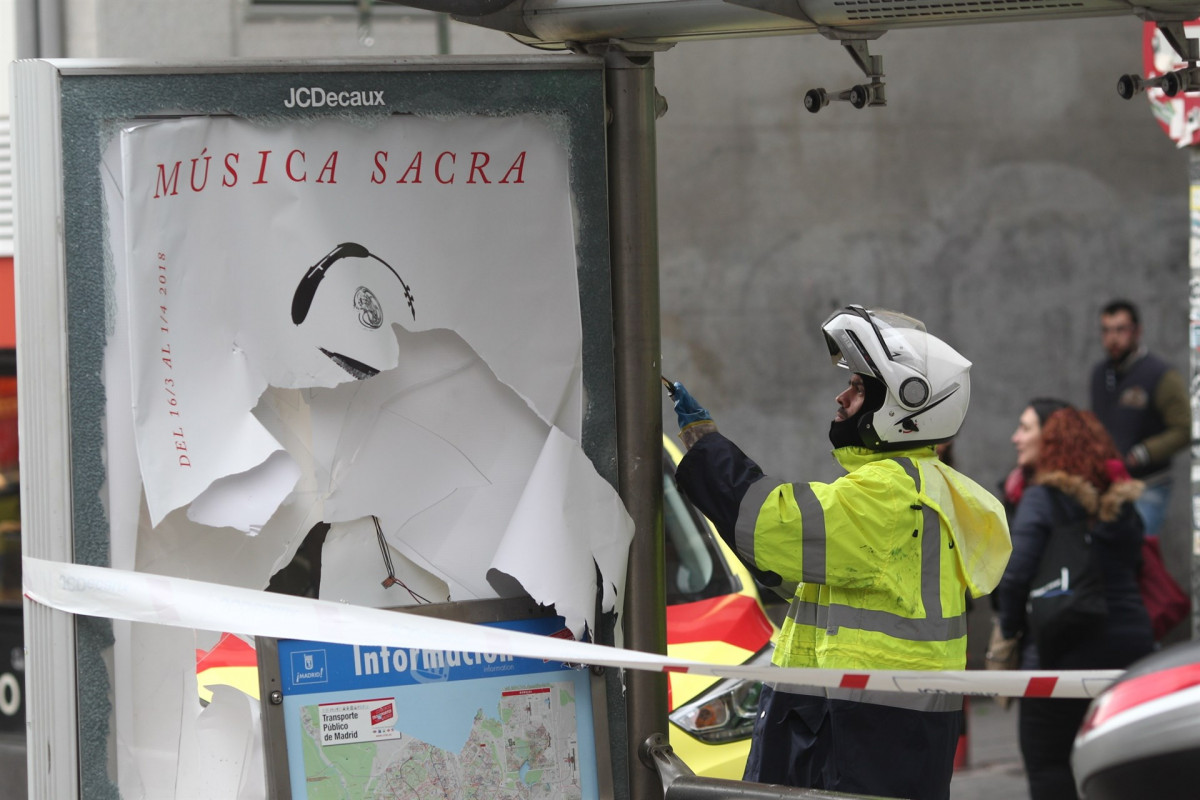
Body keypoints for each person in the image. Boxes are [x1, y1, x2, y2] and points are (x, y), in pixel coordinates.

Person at [667, 304, 1012, 800]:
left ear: (903, 405)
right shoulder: (920, 487)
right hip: (871, 732)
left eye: (858, 388)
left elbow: (769, 524)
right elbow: (788, 571)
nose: (842, 396)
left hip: (855, 734)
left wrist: (704, 441)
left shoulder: (888, 493)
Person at [993, 401, 1154, 800]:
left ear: (1051, 439)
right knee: (1121, 770)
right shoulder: (1121, 500)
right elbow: (1136, 564)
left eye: (1025, 427)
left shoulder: (1042, 497)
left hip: (1058, 650)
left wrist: (1011, 630)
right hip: (1130, 649)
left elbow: (1014, 577)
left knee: (1050, 766)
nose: (1016, 437)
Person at [1089, 299, 1190, 537]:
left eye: (1120, 329)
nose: (1113, 338)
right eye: (1106, 330)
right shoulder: (1100, 374)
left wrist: (1143, 453)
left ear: (1137, 331)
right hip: (1110, 486)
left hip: (1148, 485)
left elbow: (1185, 428)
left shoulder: (1160, 374)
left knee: (1140, 553)